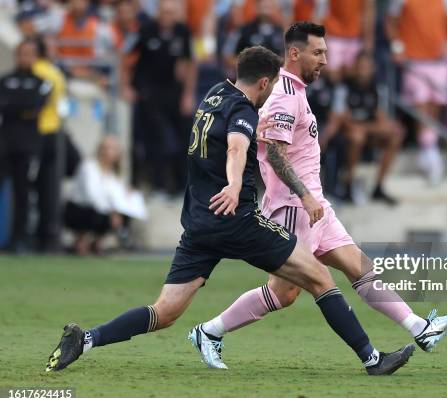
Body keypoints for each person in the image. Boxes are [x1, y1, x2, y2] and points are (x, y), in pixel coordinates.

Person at [45, 46, 414, 376]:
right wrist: (236, 185)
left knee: (166, 311)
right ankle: (372, 359)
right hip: (235, 219)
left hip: (198, 224)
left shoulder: (215, 94)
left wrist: (256, 130)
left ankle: (86, 339)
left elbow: (231, 137)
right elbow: (237, 148)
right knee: (319, 278)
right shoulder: (242, 111)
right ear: (265, 82)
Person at [196, 23, 447, 370]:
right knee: (284, 292)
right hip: (292, 206)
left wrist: (313, 198)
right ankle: (210, 331)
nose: (325, 60)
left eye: (325, 52)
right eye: (318, 52)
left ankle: (420, 328)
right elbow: (274, 151)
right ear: (295, 53)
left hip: (315, 205)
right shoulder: (285, 96)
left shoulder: (296, 90)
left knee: (362, 269)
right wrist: (304, 196)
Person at [386, 0, 447, 185]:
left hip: (439, 60)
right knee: (421, 105)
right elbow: (390, 20)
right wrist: (397, 47)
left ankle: (429, 148)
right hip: (414, 60)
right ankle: (429, 150)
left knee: (435, 104)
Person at [122, 0, 196, 198]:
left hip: (174, 91)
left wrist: (188, 95)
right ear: (158, 13)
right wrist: (126, 86)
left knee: (185, 139)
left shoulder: (183, 31)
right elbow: (124, 55)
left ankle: (183, 187)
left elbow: (190, 63)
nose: (167, 17)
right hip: (149, 92)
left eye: (171, 13)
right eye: (164, 12)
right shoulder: (145, 30)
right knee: (156, 139)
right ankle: (159, 186)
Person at [332, 51, 404, 204]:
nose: (363, 70)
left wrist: (368, 128)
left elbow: (382, 119)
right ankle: (349, 185)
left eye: (367, 67)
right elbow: (342, 119)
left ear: (373, 68)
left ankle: (378, 186)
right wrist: (366, 128)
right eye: (360, 66)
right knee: (357, 136)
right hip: (347, 133)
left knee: (396, 134)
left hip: (368, 131)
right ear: (355, 67)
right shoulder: (345, 86)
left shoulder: (378, 88)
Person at [0, 39, 51, 253]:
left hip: (28, 144)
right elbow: (7, 107)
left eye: (29, 54)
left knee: (23, 193)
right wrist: (20, 108)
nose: (25, 58)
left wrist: (16, 107)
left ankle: (18, 239)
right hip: (4, 142)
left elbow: (35, 107)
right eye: (22, 53)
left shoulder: (43, 82)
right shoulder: (5, 80)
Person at [64, 136, 146, 255]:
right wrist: (111, 212)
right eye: (106, 148)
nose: (108, 152)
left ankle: (97, 242)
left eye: (113, 149)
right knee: (105, 214)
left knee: (123, 215)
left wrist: (127, 193)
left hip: (98, 210)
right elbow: (92, 196)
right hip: (78, 210)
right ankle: (81, 241)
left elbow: (116, 196)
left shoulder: (113, 174)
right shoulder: (89, 166)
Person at [32, 37, 67, 253]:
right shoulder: (52, 72)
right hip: (49, 132)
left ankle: (37, 236)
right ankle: (48, 237)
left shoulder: (37, 70)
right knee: (48, 188)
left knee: (33, 189)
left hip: (36, 132)